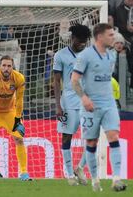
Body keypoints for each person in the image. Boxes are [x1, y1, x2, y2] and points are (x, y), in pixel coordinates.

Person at [71, 23, 127, 192]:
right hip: (90, 106)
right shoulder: (86, 56)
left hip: (109, 103)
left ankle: (116, 179)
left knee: (113, 137)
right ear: (100, 37)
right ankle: (95, 180)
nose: (113, 37)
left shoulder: (112, 56)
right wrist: (84, 98)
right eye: (110, 35)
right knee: (92, 142)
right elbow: (74, 80)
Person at [0, 55, 31, 181]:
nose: (6, 68)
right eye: (4, 65)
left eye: (9, 66)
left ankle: (24, 173)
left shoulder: (19, 78)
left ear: (13, 67)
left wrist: (18, 120)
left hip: (10, 111)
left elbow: (19, 100)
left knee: (19, 138)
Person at [53, 24, 91, 186]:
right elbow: (56, 81)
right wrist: (57, 105)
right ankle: (69, 173)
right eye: (79, 41)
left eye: (85, 42)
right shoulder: (60, 55)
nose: (82, 44)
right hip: (68, 102)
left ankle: (80, 167)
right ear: (72, 38)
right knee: (67, 136)